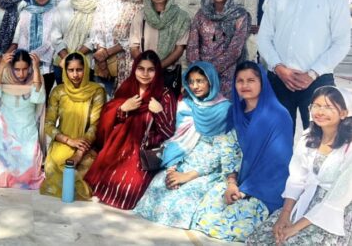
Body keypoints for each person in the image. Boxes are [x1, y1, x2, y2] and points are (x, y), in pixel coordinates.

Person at [257, 0, 350, 131]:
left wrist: (312, 73)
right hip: (280, 80)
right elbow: (264, 38)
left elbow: (341, 42)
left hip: (318, 81)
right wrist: (279, 68)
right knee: (278, 138)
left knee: (321, 139)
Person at [192, 61, 294, 242]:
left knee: (230, 227)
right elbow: (229, 149)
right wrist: (232, 183)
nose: (245, 85)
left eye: (251, 80)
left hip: (266, 187)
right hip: (239, 180)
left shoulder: (278, 115)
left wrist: (245, 190)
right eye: (240, 81)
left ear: (262, 83)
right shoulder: (235, 112)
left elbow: (278, 163)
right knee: (203, 216)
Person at [246, 86, 352, 245]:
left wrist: (295, 228)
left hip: (331, 213)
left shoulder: (349, 147)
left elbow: (338, 197)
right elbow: (297, 178)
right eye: (316, 105)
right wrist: (285, 214)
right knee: (259, 239)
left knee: (292, 242)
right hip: (305, 201)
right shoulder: (308, 137)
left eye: (328, 107)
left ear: (344, 113)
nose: (320, 111)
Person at [133, 62, 234, 229]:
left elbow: (224, 149)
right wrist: (172, 168)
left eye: (200, 81)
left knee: (185, 195)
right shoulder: (186, 104)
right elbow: (177, 139)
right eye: (191, 82)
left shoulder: (226, 110)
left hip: (208, 167)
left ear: (211, 81)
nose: (195, 86)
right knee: (160, 185)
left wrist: (188, 176)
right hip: (184, 158)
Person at [84, 50, 176, 210]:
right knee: (98, 181)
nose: (145, 74)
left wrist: (159, 113)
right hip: (118, 147)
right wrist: (122, 109)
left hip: (144, 150)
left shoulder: (165, 95)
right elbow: (109, 117)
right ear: (134, 69)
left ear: (157, 71)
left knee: (129, 191)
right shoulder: (127, 87)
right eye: (141, 69)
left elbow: (168, 132)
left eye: (150, 70)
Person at [39, 52, 106, 200]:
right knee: (54, 166)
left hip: (87, 144)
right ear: (65, 71)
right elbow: (48, 124)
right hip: (63, 141)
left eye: (79, 70)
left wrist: (79, 153)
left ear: (86, 69)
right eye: (71, 70)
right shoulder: (58, 91)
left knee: (85, 170)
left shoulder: (96, 91)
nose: (75, 75)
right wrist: (69, 141)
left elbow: (95, 125)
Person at [0, 50, 46, 189]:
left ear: (29, 67)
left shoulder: (35, 78)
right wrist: (1, 66)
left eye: (25, 69)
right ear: (11, 67)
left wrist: (36, 69)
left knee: (28, 176)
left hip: (27, 133)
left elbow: (38, 98)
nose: (21, 74)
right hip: (5, 132)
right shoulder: (4, 78)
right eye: (17, 69)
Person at [186, 0, 251, 98]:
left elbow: (234, 51)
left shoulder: (240, 15)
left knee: (224, 107)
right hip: (200, 75)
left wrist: (209, 72)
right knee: (201, 107)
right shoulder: (201, 14)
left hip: (228, 74)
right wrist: (199, 71)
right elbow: (192, 46)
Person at [129, 0, 190, 94]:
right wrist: (147, 68)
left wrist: (157, 67)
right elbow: (134, 47)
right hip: (144, 75)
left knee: (167, 104)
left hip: (169, 73)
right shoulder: (141, 16)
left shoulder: (181, 17)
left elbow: (179, 49)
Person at [88, 0, 143, 95]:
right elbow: (97, 28)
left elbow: (136, 35)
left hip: (129, 60)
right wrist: (102, 60)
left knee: (125, 100)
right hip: (104, 61)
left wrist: (108, 52)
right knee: (104, 101)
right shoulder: (105, 1)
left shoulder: (139, 2)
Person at [8, 0, 63, 96]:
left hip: (47, 66)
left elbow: (53, 39)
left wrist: (35, 55)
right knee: (27, 98)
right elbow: (21, 37)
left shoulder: (56, 12)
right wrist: (27, 58)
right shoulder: (25, 13)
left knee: (43, 98)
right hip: (27, 66)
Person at [55, 0, 98, 69]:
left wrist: (74, 59)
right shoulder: (63, 5)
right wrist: (66, 58)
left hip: (85, 62)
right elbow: (55, 36)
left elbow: (94, 37)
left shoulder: (97, 6)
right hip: (62, 61)